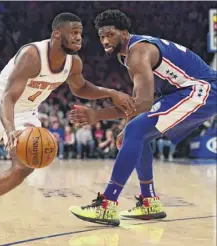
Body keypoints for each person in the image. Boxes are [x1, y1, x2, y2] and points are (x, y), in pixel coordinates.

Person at [0, 12, 135, 235]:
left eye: (81, 33)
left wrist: (111, 92)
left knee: (27, 163)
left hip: (25, 112)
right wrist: (9, 131)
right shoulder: (33, 55)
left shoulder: (73, 62)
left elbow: (80, 87)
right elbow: (8, 97)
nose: (79, 38)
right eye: (74, 33)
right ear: (57, 33)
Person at [69, 9, 217, 226]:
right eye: (101, 36)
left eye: (110, 34)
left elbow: (143, 105)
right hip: (183, 92)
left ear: (125, 34)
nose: (105, 40)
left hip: (202, 90)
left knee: (136, 130)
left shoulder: (137, 53)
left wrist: (97, 115)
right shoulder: (129, 54)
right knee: (138, 133)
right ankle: (149, 202)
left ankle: (106, 205)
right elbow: (138, 101)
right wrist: (126, 128)